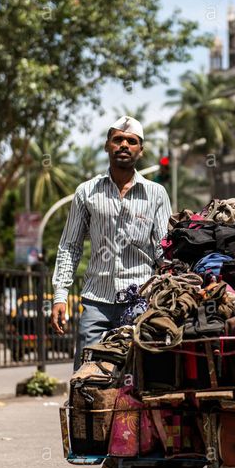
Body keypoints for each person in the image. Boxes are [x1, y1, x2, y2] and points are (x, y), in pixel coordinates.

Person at [51, 115, 171, 369]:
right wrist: (60, 296)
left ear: (140, 150)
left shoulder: (156, 193)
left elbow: (164, 250)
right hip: (97, 302)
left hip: (140, 300)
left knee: (142, 376)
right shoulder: (87, 192)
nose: (124, 145)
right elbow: (70, 246)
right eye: (118, 139)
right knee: (86, 374)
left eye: (131, 141)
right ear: (107, 146)